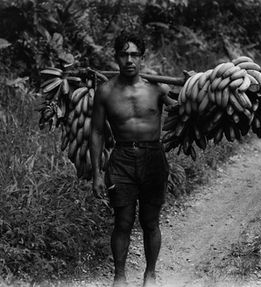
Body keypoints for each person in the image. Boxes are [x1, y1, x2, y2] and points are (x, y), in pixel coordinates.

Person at [90, 31, 177, 287]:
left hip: (153, 157)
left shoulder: (158, 89)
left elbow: (182, 110)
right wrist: (96, 172)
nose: (129, 60)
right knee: (123, 221)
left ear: (142, 58)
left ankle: (150, 275)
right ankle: (119, 277)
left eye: (134, 55)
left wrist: (195, 86)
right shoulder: (105, 92)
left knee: (150, 221)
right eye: (124, 54)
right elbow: (95, 131)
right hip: (121, 158)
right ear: (116, 57)